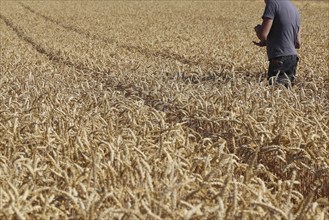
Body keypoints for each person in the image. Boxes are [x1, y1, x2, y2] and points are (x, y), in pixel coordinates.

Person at [253, 0, 301, 87]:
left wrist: (258, 30)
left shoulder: (272, 3)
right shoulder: (294, 8)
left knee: (274, 92)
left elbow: (263, 35)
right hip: (292, 59)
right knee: (285, 95)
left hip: (279, 58)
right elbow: (297, 43)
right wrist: (267, 42)